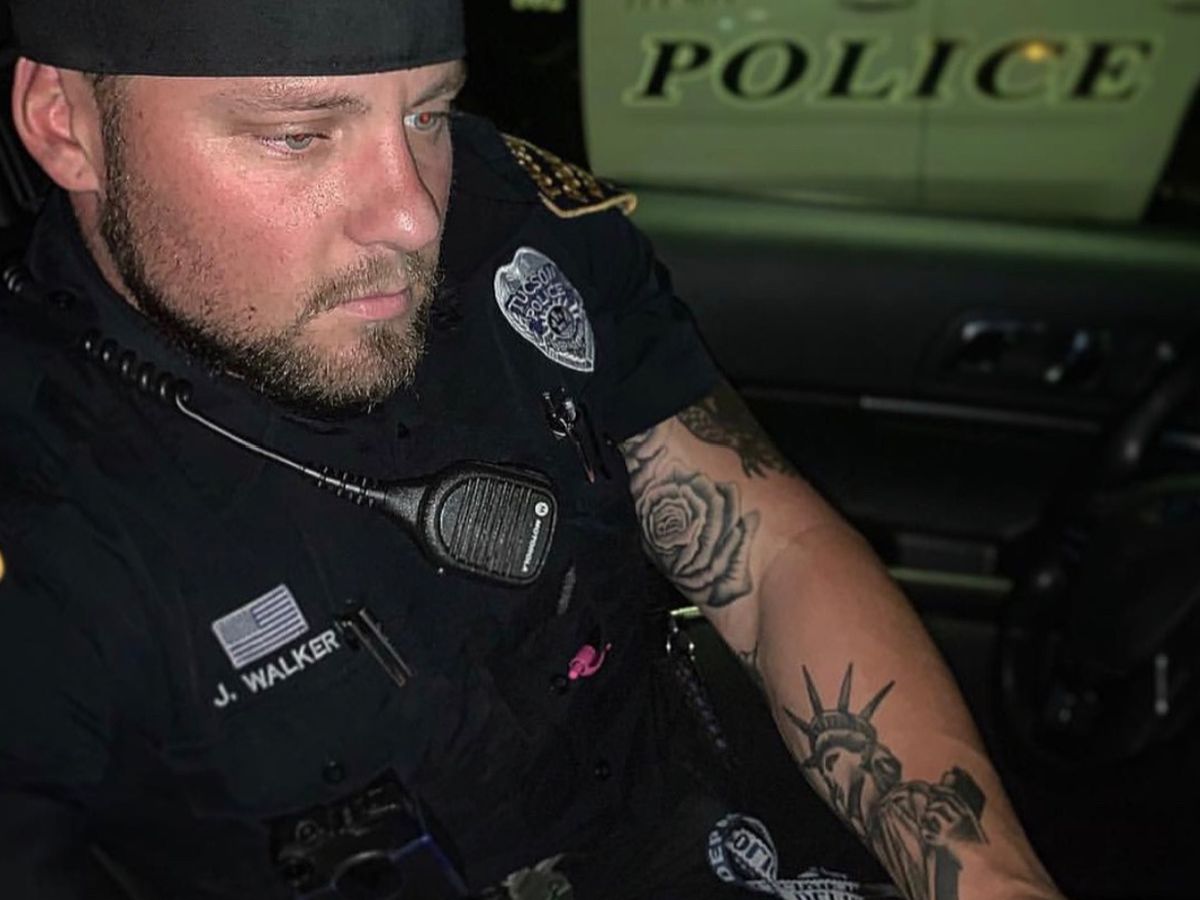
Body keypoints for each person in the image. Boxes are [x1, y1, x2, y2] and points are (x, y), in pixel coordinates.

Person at [0, 1, 1065, 898]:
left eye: (426, 112)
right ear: (66, 124)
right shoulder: (45, 517)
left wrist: (991, 882)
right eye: (300, 136)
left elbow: (770, 550)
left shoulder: (514, 219)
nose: (412, 215)